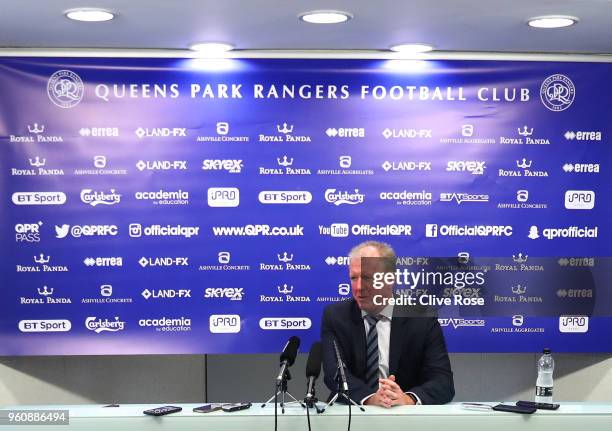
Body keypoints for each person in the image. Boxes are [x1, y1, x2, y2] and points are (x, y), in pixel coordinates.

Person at [321, 241, 454, 406]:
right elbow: (334, 375)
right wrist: (370, 398)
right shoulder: (336, 316)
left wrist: (407, 399)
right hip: (352, 412)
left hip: (403, 417)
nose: (359, 287)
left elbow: (442, 381)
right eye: (354, 278)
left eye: (368, 278)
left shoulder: (422, 318)